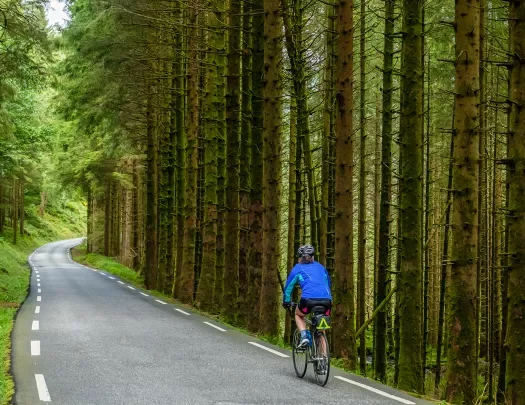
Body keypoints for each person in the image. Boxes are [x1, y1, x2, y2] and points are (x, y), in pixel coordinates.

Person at [282, 244, 332, 348]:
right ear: (313, 257)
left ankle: (304, 335)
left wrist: (286, 301)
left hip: (308, 300)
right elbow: (328, 283)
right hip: (327, 300)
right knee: (321, 329)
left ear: (299, 257)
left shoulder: (298, 268)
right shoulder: (321, 267)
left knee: (299, 314)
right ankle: (323, 359)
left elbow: (288, 287)